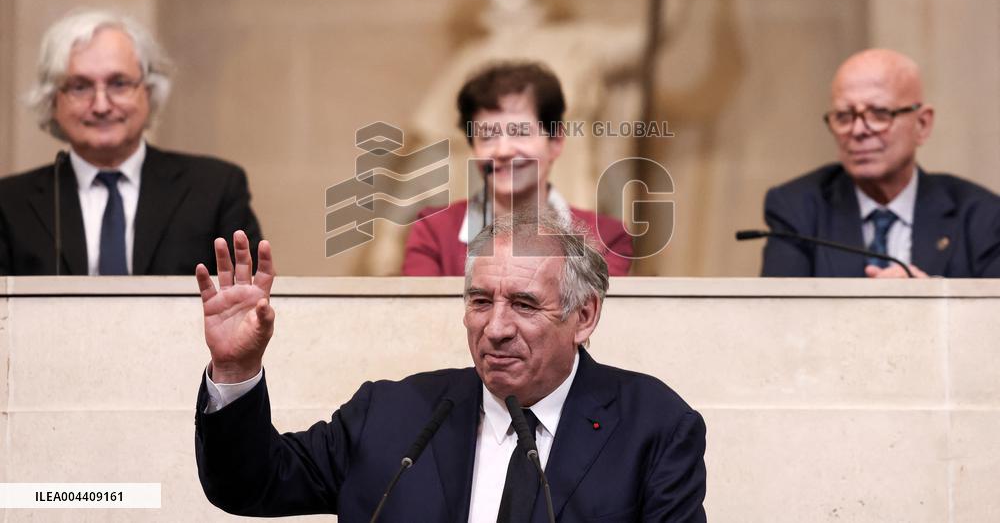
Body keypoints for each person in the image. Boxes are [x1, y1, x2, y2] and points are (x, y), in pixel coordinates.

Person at [195, 214, 707, 521]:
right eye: (480, 301)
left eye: (525, 305)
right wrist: (235, 369)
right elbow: (249, 485)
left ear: (585, 315)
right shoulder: (390, 415)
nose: (496, 327)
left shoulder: (653, 427)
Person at [0, 8, 262, 275]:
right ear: (53, 101)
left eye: (119, 83)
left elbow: (248, 302)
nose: (101, 105)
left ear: (148, 92)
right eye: (80, 86)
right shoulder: (9, 204)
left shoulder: (215, 188)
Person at [761, 48, 1000, 278]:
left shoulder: (981, 216)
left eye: (879, 114)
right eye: (844, 117)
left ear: (922, 124)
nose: (858, 130)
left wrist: (929, 301)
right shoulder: (797, 208)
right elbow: (780, 314)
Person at [402, 61, 634, 276]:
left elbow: (593, 318)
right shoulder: (433, 230)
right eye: (488, 137)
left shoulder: (607, 238)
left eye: (520, 133)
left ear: (556, 142)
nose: (503, 151)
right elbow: (422, 317)